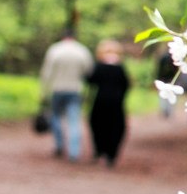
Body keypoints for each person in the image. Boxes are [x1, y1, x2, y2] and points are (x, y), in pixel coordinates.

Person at [39, 28, 93, 162]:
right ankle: (74, 152)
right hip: (75, 90)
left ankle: (59, 145)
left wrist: (43, 92)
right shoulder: (82, 51)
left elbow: (46, 73)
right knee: (74, 121)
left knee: (56, 117)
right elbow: (89, 71)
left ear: (63, 37)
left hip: (57, 89)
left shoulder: (55, 50)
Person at [86, 39, 130, 167]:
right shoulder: (120, 67)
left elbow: (91, 80)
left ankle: (100, 150)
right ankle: (111, 153)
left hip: (100, 100)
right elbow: (126, 85)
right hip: (117, 102)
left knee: (98, 125)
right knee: (116, 127)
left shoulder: (99, 66)